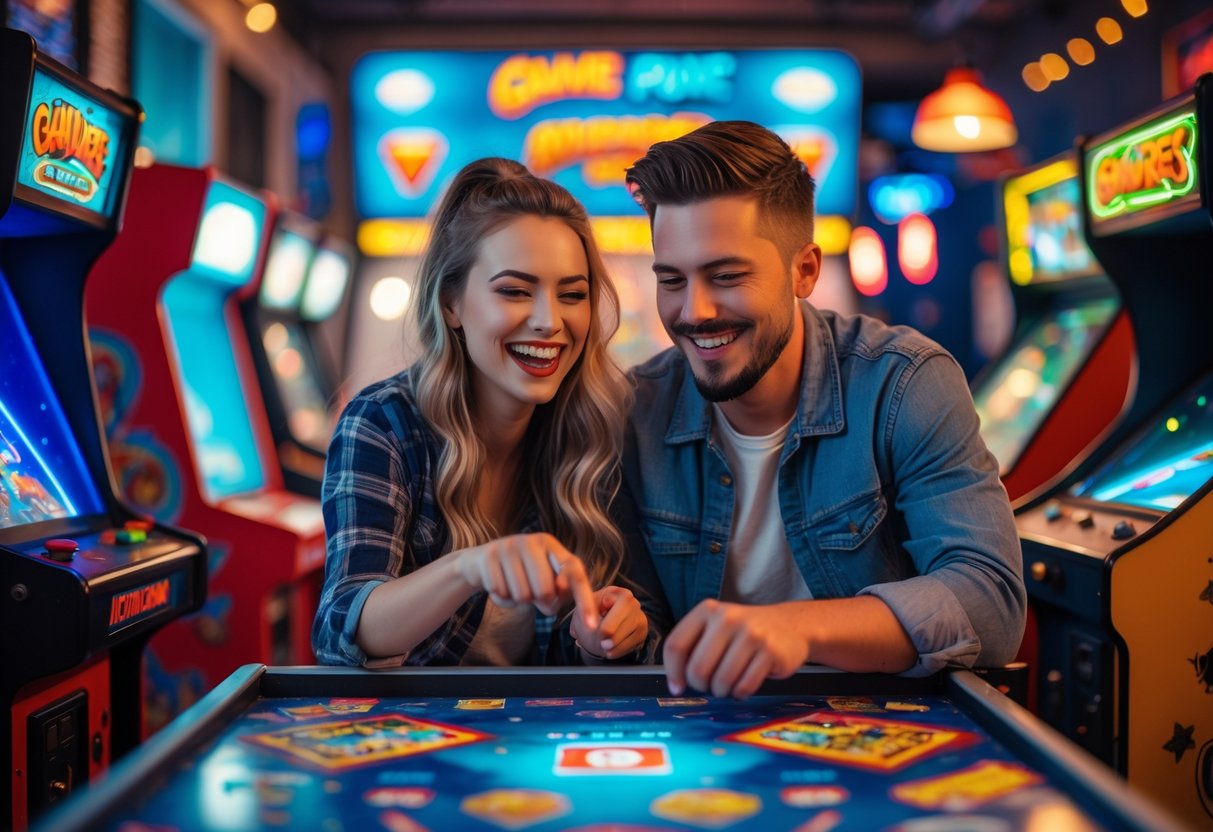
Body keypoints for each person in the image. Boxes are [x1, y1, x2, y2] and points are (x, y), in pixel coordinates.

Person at [622, 121, 1025, 698]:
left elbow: (991, 603)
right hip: (697, 743)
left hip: (885, 734)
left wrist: (794, 629)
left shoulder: (904, 381)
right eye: (671, 280)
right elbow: (636, 637)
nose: (695, 311)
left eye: (727, 276)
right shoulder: (635, 410)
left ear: (804, 270)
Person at [313, 158, 664, 667]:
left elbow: (580, 654)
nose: (549, 321)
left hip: (536, 740)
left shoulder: (594, 427)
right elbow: (341, 629)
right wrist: (470, 568)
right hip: (412, 739)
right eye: (515, 291)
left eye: (572, 295)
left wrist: (601, 637)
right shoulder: (383, 422)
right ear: (452, 303)